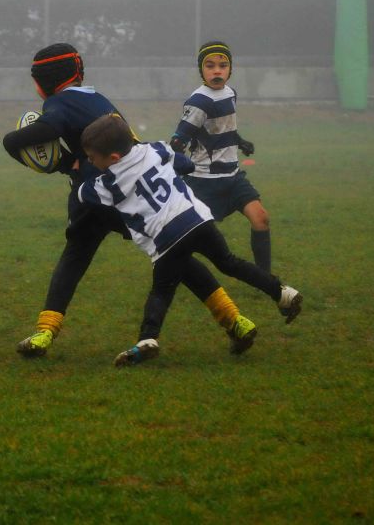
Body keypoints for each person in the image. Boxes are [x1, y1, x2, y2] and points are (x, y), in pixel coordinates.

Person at [2, 42, 261, 358]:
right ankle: (235, 320)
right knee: (175, 254)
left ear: (45, 80)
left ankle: (45, 332)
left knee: (75, 258)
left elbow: (47, 128)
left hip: (99, 195)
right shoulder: (95, 98)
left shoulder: (60, 102)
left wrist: (16, 145)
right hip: (133, 193)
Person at [78, 114, 303, 367]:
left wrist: (79, 168)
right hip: (197, 220)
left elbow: (84, 195)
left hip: (166, 239)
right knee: (229, 262)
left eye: (92, 157)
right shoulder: (156, 149)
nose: (90, 161)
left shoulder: (107, 183)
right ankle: (282, 293)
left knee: (162, 290)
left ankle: (148, 338)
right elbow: (185, 165)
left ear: (113, 158)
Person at [170, 41, 272, 272]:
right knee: (189, 238)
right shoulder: (198, 102)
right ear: (201, 70)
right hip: (203, 181)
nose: (217, 70)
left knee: (261, 218)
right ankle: (173, 273)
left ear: (230, 69)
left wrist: (240, 141)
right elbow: (179, 140)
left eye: (223, 65)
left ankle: (265, 279)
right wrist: (173, 157)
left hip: (233, 178)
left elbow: (223, 128)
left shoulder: (230, 94)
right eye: (210, 65)